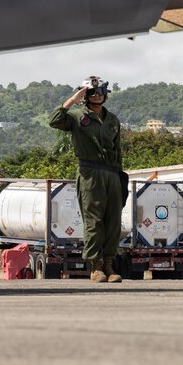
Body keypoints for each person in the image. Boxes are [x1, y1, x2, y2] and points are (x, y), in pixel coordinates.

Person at [49, 76, 123, 283]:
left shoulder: (113, 120)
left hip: (112, 173)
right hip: (90, 173)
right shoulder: (76, 116)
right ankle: (96, 267)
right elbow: (54, 119)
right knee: (93, 222)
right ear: (86, 95)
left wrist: (120, 176)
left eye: (100, 91)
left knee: (113, 222)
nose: (97, 95)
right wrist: (73, 99)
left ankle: (109, 267)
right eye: (92, 92)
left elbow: (118, 150)